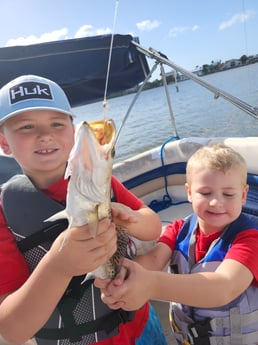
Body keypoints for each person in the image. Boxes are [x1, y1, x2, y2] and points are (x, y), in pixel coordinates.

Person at [0, 75, 167, 345]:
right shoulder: (4, 214)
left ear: (73, 130)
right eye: (26, 126)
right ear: (4, 142)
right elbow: (11, 330)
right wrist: (59, 265)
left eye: (57, 123)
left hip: (141, 324)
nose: (45, 135)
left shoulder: (101, 182)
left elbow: (153, 226)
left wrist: (131, 218)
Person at [96, 144, 258, 345]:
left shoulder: (250, 238)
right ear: (189, 193)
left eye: (228, 194)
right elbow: (153, 259)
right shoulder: (178, 229)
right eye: (206, 193)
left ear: (243, 195)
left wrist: (151, 285)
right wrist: (121, 281)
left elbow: (224, 287)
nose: (216, 202)